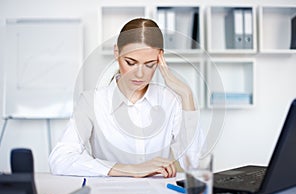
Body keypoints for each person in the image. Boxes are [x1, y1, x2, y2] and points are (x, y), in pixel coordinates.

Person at [49, 18, 204, 178]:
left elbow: (195, 163)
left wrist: (187, 95)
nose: (139, 74)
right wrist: (130, 169)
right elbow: (60, 159)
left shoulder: (170, 101)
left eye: (150, 64)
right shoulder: (92, 102)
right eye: (130, 62)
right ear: (117, 52)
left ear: (160, 58)